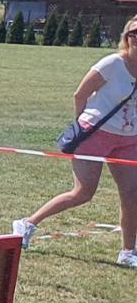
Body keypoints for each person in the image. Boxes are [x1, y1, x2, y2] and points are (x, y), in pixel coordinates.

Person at [13, 14, 137, 266]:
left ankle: (127, 252)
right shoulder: (112, 63)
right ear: (126, 38)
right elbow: (80, 94)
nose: (136, 38)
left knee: (131, 195)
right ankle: (27, 224)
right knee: (83, 193)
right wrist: (82, 126)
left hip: (128, 139)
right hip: (94, 133)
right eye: (133, 34)